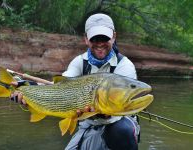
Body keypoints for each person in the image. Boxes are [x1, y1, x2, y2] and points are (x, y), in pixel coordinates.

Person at [11, 13, 139, 150]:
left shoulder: (125, 66)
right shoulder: (79, 62)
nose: (100, 43)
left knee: (122, 130)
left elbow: (122, 108)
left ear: (114, 36)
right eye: (95, 38)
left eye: (104, 38)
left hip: (118, 124)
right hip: (87, 125)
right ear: (86, 39)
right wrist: (31, 89)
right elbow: (61, 87)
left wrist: (103, 112)